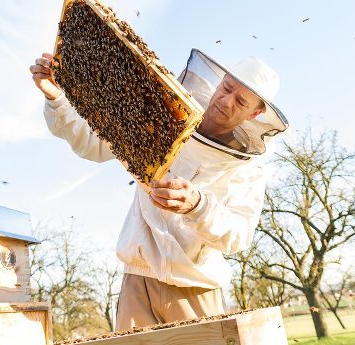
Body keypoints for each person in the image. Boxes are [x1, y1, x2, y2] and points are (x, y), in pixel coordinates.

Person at [30, 48, 288, 330]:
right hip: (138, 279)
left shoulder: (248, 168)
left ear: (256, 112)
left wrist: (198, 205)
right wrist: (56, 98)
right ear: (221, 79)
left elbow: (239, 236)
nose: (226, 102)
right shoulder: (169, 116)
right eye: (226, 88)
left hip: (196, 287)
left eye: (240, 101)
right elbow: (93, 143)